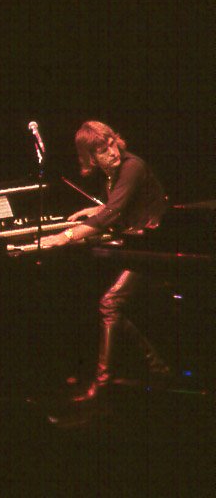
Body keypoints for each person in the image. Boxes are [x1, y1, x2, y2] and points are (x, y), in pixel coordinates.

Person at [40, 121, 170, 403]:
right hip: (140, 248)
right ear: (90, 157)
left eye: (111, 143)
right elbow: (119, 206)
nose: (112, 152)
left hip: (156, 251)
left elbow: (113, 213)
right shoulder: (114, 174)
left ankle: (104, 384)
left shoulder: (132, 166)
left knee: (109, 303)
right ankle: (157, 367)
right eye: (103, 150)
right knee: (104, 302)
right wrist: (97, 209)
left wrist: (66, 236)